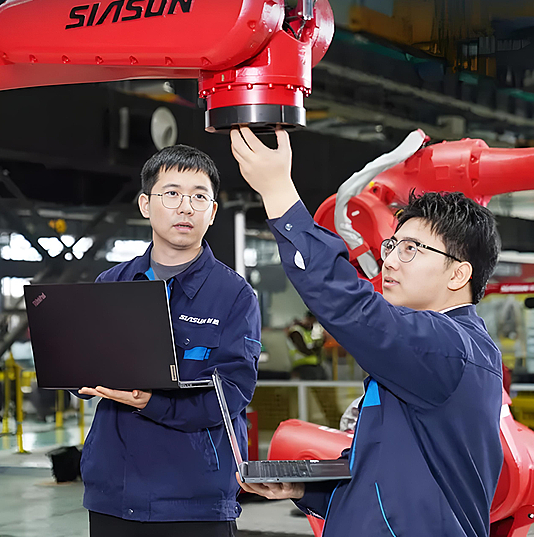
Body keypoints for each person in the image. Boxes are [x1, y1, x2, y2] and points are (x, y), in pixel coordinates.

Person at [230, 126, 503, 537]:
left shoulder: (448, 348)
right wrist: (306, 488)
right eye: (392, 245)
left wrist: (278, 192)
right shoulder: (436, 354)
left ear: (458, 274)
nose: (389, 260)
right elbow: (389, 477)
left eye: (411, 249)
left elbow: (349, 305)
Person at [77, 144, 262, 537]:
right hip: (113, 492)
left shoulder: (234, 296)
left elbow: (232, 393)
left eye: (199, 197)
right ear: (146, 204)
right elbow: (85, 366)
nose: (186, 208)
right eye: (172, 193)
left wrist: (153, 403)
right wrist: (75, 371)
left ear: (213, 211)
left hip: (194, 496)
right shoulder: (112, 284)